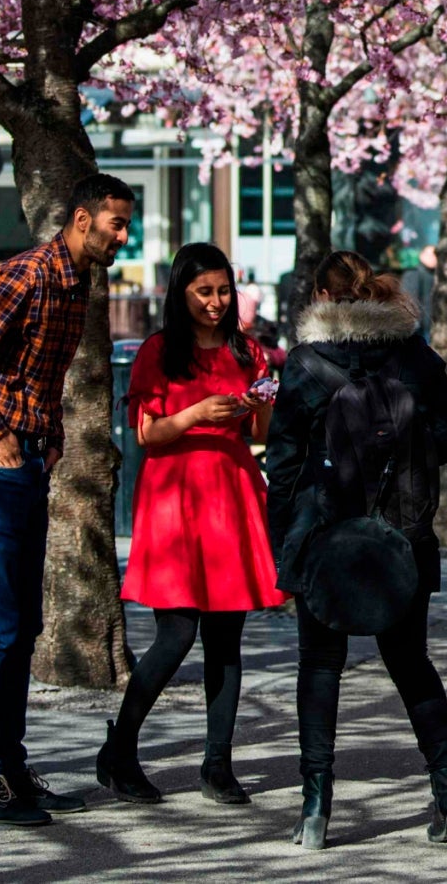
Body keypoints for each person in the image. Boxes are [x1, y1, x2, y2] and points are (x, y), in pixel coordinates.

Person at [0, 171, 137, 826]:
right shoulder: (29, 274)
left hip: (21, 461)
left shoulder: (78, 282)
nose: (123, 235)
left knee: (21, 626)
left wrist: (44, 440)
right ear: (82, 220)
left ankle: (9, 767)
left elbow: (33, 375)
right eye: (117, 223)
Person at [262, 251, 447, 850]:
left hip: (326, 537)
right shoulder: (418, 358)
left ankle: (315, 807)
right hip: (402, 539)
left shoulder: (305, 363)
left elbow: (282, 464)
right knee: (411, 664)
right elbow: (445, 447)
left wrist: (287, 546)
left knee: (320, 665)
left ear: (323, 300)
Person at [97, 242, 283, 807]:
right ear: (181, 292)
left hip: (230, 492)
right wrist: (197, 413)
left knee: (227, 640)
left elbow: (261, 435)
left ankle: (218, 764)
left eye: (224, 291)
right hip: (175, 497)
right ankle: (120, 750)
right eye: (204, 292)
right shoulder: (159, 351)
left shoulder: (247, 350)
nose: (215, 302)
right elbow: (147, 433)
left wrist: (258, 403)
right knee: (175, 636)